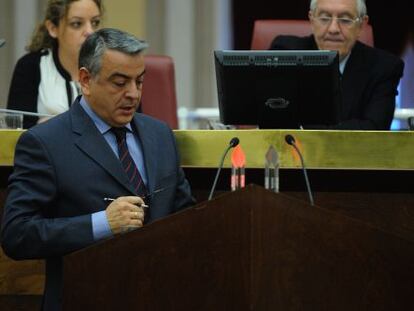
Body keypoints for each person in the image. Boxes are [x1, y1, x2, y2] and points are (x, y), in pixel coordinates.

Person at [1, 28, 195, 311]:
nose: (133, 94)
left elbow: (185, 216)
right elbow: (17, 235)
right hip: (84, 297)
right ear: (85, 80)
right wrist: (103, 223)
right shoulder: (45, 143)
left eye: (139, 82)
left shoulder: (160, 135)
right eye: (120, 83)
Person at [270, 0, 404, 130]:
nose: (333, 29)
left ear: (361, 25)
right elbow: (273, 119)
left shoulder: (384, 67)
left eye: (345, 20)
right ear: (312, 20)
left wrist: (302, 127)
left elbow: (372, 130)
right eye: (324, 18)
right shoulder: (284, 53)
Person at [7, 0, 104, 128]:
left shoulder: (108, 67)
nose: (90, 32)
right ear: (53, 28)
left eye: (95, 22)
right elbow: (16, 128)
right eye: (77, 24)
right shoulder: (30, 66)